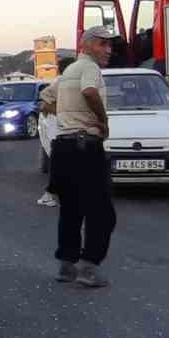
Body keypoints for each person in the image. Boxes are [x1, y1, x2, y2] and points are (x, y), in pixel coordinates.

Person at [50, 29, 117, 288]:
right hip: (85, 147)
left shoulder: (68, 71)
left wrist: (67, 118)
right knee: (102, 212)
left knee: (71, 209)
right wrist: (103, 120)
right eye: (103, 44)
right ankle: (89, 268)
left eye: (110, 45)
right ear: (87, 46)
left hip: (63, 148)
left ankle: (66, 266)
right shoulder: (90, 68)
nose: (108, 50)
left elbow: (47, 99)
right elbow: (90, 92)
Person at [36, 56, 76, 207]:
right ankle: (50, 194)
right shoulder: (60, 82)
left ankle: (53, 193)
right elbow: (44, 106)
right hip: (56, 128)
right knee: (58, 160)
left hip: (63, 127)